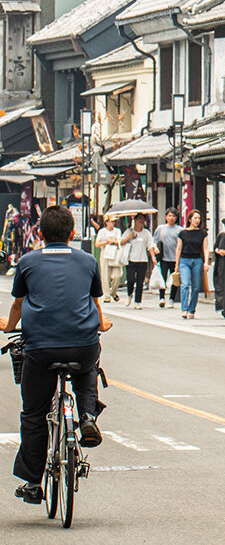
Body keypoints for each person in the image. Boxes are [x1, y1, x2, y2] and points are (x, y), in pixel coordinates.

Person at [5, 204, 109, 504]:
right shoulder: (88, 261)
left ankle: (33, 483)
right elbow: (94, 302)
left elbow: (17, 305)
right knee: (89, 365)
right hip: (82, 344)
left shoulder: (27, 261)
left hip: (41, 347)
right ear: (73, 233)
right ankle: (87, 416)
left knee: (34, 414)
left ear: (39, 232)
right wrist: (102, 324)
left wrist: (9, 326)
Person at [173, 211, 206, 320]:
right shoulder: (183, 233)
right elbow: (178, 248)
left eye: (199, 218)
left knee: (196, 287)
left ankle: (192, 309)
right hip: (184, 260)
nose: (197, 220)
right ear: (190, 219)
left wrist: (205, 262)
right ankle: (184, 309)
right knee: (185, 284)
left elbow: (205, 248)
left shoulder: (202, 233)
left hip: (197, 260)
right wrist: (176, 263)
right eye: (195, 218)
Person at [121, 214, 153, 306]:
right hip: (131, 259)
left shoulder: (146, 233)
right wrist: (129, 237)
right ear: (134, 220)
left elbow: (150, 245)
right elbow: (121, 242)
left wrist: (153, 257)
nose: (141, 221)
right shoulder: (128, 232)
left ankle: (138, 301)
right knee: (130, 280)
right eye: (139, 219)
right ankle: (129, 294)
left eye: (143, 219)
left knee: (140, 281)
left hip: (143, 260)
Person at [153, 210, 182, 308]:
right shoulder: (161, 228)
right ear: (166, 217)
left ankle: (172, 299)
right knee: (163, 278)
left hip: (175, 258)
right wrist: (155, 248)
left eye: (173, 216)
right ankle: (162, 297)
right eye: (169, 216)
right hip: (164, 257)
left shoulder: (179, 230)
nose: (171, 218)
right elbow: (154, 241)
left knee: (175, 279)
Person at [94, 216, 122, 303]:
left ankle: (113, 292)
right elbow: (97, 244)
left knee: (118, 275)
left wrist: (113, 242)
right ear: (106, 222)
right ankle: (106, 295)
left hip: (115, 253)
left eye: (114, 222)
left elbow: (120, 241)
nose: (113, 223)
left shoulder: (117, 231)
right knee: (105, 276)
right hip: (105, 253)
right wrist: (106, 242)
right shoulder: (102, 232)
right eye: (111, 221)